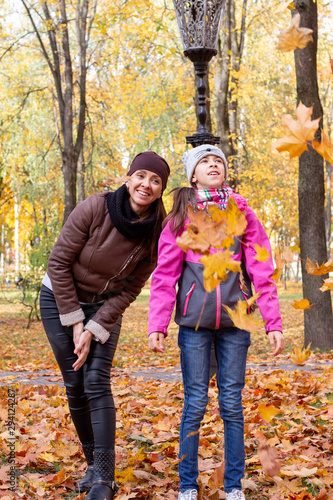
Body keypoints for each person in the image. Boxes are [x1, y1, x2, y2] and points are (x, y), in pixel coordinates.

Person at [148, 144, 285, 500]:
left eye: (218, 161)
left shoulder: (243, 211)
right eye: (204, 161)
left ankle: (234, 486)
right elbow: (165, 275)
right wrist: (157, 325)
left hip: (236, 322)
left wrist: (273, 323)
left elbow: (262, 269)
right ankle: (187, 485)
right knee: (194, 402)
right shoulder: (181, 215)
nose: (213, 165)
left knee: (231, 403)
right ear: (193, 175)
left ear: (225, 171)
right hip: (194, 324)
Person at [40, 151, 170, 500]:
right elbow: (58, 262)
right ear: (128, 178)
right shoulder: (95, 207)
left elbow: (131, 288)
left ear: (161, 190)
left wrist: (95, 325)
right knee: (75, 380)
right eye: (140, 176)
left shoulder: (157, 231)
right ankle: (92, 464)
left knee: (96, 379)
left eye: (155, 180)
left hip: (105, 306)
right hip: (59, 298)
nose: (146, 184)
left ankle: (103, 478)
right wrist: (75, 322)